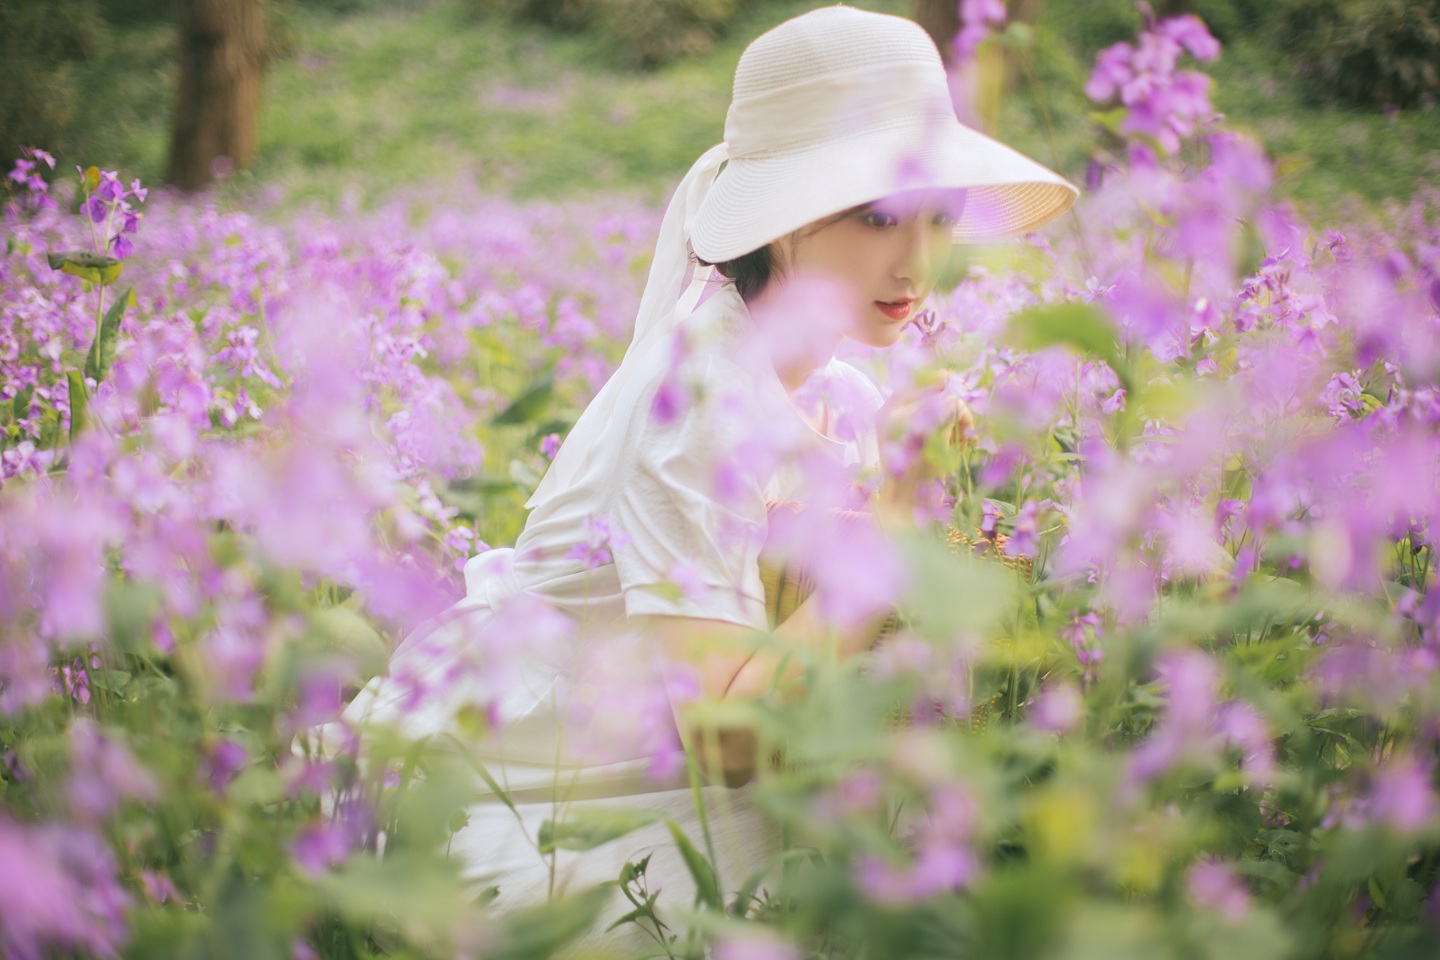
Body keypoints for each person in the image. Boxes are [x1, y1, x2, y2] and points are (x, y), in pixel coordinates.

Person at [334, 2, 1076, 947]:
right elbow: (727, 739)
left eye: (940, 214)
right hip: (534, 769)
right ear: (785, 218)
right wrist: (891, 520)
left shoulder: (835, 389)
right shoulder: (697, 404)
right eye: (882, 215)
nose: (920, 261)